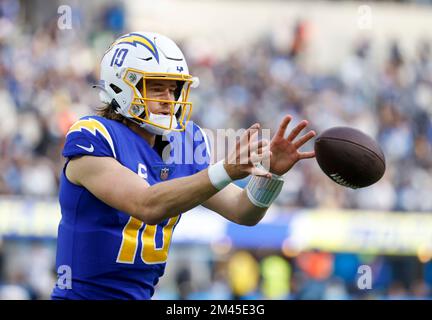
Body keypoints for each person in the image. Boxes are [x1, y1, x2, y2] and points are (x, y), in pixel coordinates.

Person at [51, 32, 316, 300]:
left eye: (174, 88)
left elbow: (243, 211)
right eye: (157, 87)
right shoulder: (93, 135)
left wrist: (272, 173)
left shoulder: (185, 142)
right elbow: (147, 205)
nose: (169, 99)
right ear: (122, 85)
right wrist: (225, 170)